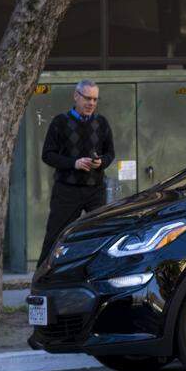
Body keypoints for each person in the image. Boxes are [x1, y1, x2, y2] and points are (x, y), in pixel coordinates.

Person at [37, 79, 116, 265]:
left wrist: (101, 162)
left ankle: (98, 281)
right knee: (54, 237)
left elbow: (110, 154)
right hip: (66, 191)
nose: (91, 103)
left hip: (95, 190)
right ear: (76, 96)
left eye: (95, 99)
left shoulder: (102, 123)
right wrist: (74, 163)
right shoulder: (60, 122)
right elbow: (47, 155)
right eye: (87, 98)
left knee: (100, 236)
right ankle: (41, 283)